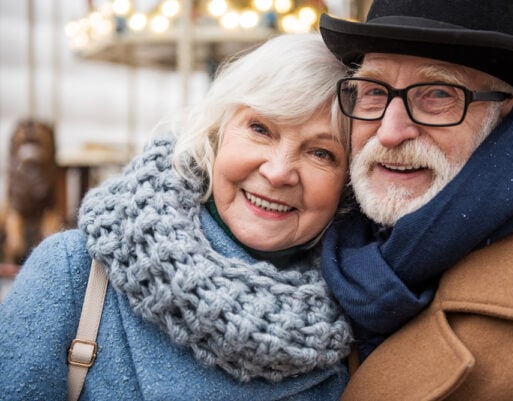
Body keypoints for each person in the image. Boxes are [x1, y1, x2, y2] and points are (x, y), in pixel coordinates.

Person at [0, 33, 354, 401]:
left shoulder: (360, 316)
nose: (279, 172)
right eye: (260, 129)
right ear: (217, 135)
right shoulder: (75, 273)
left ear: (347, 186)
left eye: (321, 153)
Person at [318, 1, 513, 399]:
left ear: (507, 117)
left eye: (436, 94)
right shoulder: (309, 241)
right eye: (373, 92)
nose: (390, 131)